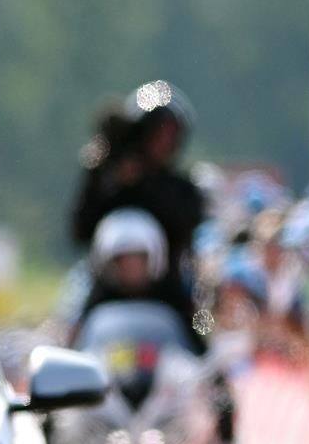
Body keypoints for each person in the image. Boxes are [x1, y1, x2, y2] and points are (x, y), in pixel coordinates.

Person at [68, 82, 206, 333]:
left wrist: (146, 184)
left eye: (171, 133)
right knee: (74, 324)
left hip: (164, 286)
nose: (164, 141)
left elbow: (188, 231)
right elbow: (79, 230)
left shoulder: (183, 189)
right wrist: (110, 181)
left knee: (199, 326)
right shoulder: (105, 178)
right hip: (109, 283)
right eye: (158, 132)